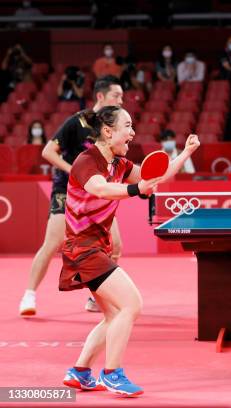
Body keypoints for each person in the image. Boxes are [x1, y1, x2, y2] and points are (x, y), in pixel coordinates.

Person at [60, 106, 200, 396]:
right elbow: (100, 189)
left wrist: (185, 154)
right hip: (83, 248)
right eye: (128, 126)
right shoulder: (87, 161)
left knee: (113, 315)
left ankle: (80, 371)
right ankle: (112, 373)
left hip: (96, 247)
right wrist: (136, 190)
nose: (133, 133)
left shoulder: (120, 164)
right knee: (131, 304)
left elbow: (156, 176)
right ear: (109, 131)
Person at [19, 76, 124, 317]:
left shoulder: (110, 127)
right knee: (53, 243)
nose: (121, 100)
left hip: (97, 193)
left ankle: (96, 297)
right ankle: (29, 294)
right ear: (100, 96)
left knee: (115, 245)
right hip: (67, 190)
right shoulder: (77, 122)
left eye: (122, 96)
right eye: (116, 96)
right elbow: (48, 152)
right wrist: (74, 172)